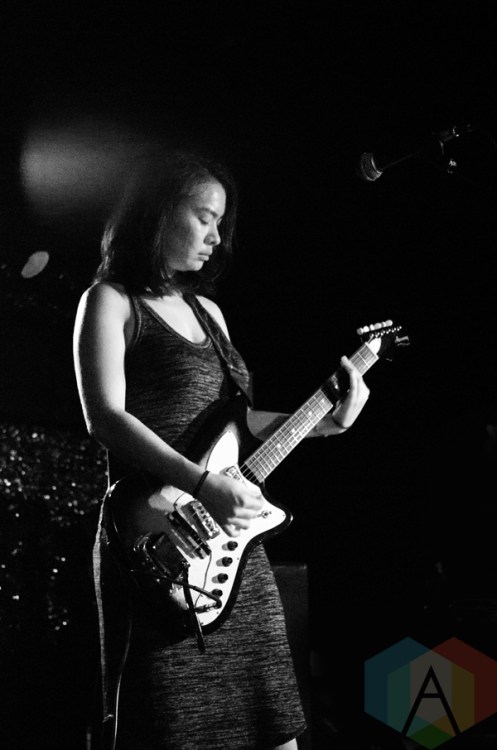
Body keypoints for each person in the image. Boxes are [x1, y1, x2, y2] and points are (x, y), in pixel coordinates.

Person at [73, 147, 371, 750]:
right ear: (159, 212)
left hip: (229, 547)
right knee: (173, 727)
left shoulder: (209, 313)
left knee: (276, 726)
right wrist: (200, 483)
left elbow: (237, 424)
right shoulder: (110, 300)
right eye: (205, 217)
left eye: (221, 223)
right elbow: (104, 417)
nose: (217, 237)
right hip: (159, 543)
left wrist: (326, 423)